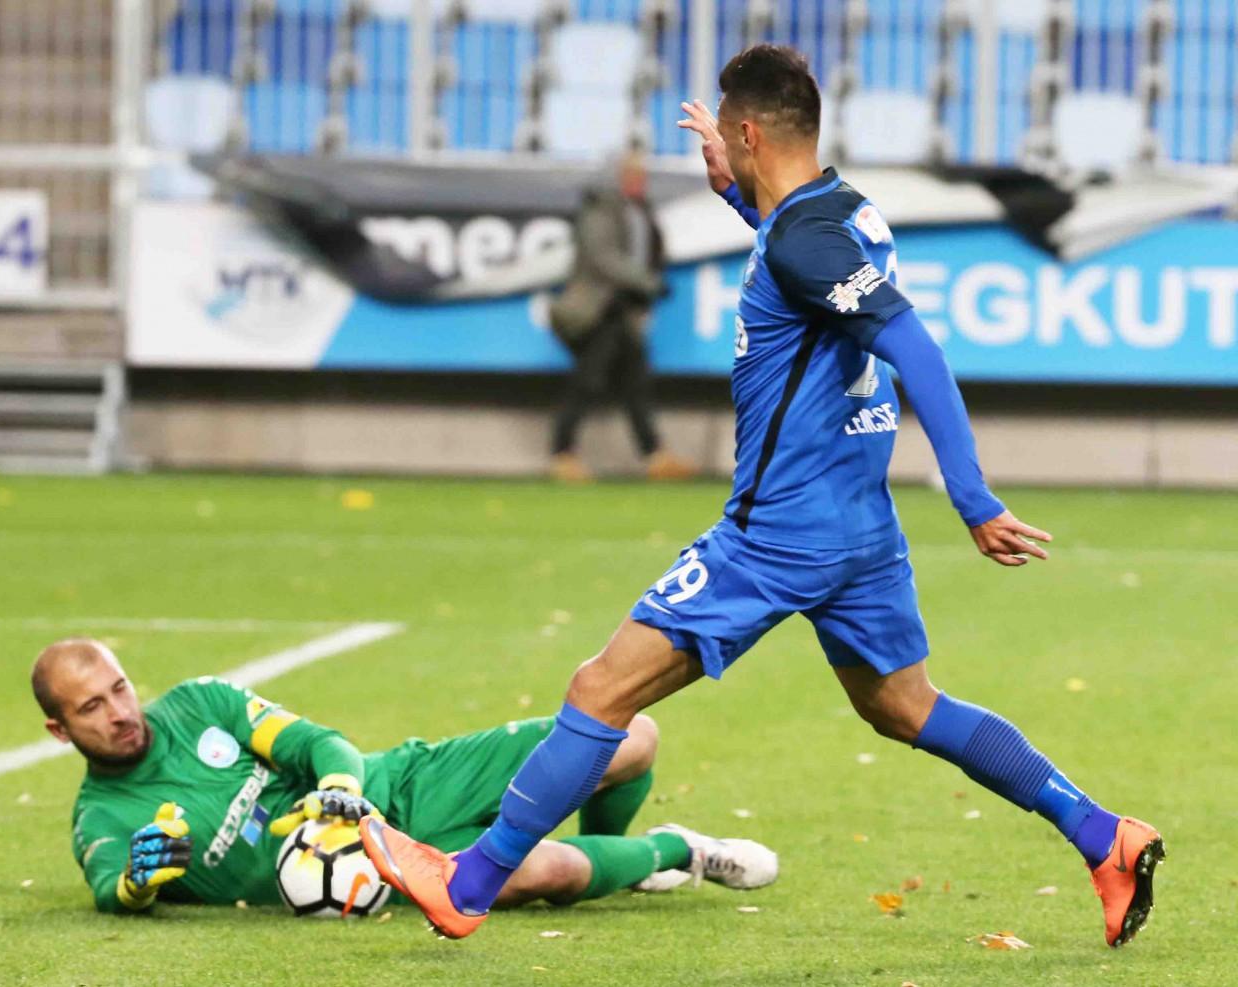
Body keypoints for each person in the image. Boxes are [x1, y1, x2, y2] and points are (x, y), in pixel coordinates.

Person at [360, 45, 1165, 947]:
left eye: (726, 135)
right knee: (906, 706)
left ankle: (467, 883)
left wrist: (972, 496)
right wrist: (736, 197)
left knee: (599, 688)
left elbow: (916, 349)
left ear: (746, 132)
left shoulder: (802, 238)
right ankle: (1103, 834)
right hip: (859, 526)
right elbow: (806, 273)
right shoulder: (842, 211)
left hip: (779, 532)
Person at [34, 639, 776, 914]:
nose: (120, 712)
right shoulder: (102, 816)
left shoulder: (199, 704)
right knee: (544, 870)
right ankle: (677, 850)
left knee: (632, 738)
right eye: (92, 708)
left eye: (119, 688)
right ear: (60, 730)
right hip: (381, 868)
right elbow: (110, 888)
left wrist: (341, 787)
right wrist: (136, 883)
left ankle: (625, 857)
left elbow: (317, 741)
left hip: (403, 782)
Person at [547, 150, 696, 483]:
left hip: (623, 310)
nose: (638, 182)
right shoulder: (601, 209)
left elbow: (649, 250)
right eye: (631, 175)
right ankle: (562, 452)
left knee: (635, 383)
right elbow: (604, 258)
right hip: (599, 309)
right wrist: (647, 282)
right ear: (618, 178)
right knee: (589, 379)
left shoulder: (640, 211)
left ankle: (655, 455)